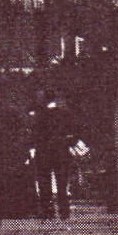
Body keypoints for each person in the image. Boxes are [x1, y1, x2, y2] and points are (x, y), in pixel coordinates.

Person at [29, 89, 75, 219]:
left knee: (44, 182)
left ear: (44, 99)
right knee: (62, 182)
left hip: (44, 152)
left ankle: (47, 211)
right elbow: (73, 131)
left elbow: (35, 134)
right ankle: (64, 211)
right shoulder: (65, 114)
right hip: (61, 152)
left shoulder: (40, 115)